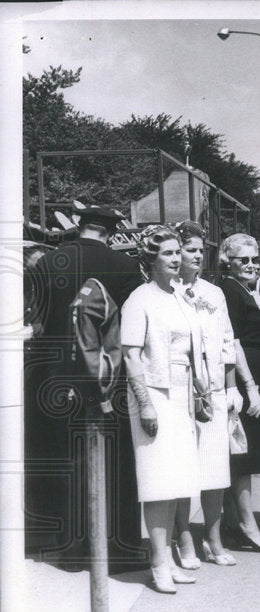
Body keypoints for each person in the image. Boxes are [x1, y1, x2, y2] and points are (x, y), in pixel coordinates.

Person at [24, 203, 145, 570]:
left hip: (57, 376)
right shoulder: (125, 267)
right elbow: (130, 325)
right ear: (109, 232)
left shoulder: (47, 262)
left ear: (79, 227)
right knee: (116, 461)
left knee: (68, 459)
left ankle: (72, 552)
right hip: (109, 378)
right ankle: (118, 550)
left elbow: (38, 319)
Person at [121, 225, 209, 593]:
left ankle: (169, 556)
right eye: (168, 254)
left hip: (182, 393)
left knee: (177, 480)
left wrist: (201, 390)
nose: (177, 258)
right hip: (153, 394)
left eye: (178, 252)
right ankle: (157, 561)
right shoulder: (139, 299)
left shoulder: (178, 296)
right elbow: (130, 354)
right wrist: (145, 405)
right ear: (150, 260)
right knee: (158, 481)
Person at [171, 222, 240, 568]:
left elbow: (227, 343)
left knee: (215, 471)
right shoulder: (164, 293)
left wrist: (232, 389)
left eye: (201, 250)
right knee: (184, 470)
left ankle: (213, 539)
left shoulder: (214, 293)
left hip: (212, 392)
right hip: (178, 395)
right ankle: (183, 537)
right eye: (190, 249)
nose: (197, 255)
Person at [218, 234, 260, 552]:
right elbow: (234, 342)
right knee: (243, 455)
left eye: (255, 260)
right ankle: (247, 525)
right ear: (227, 261)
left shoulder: (242, 290)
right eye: (243, 259)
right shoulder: (230, 291)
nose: (252, 265)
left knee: (241, 453)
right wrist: (252, 389)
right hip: (244, 382)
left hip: (254, 373)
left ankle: (232, 522)